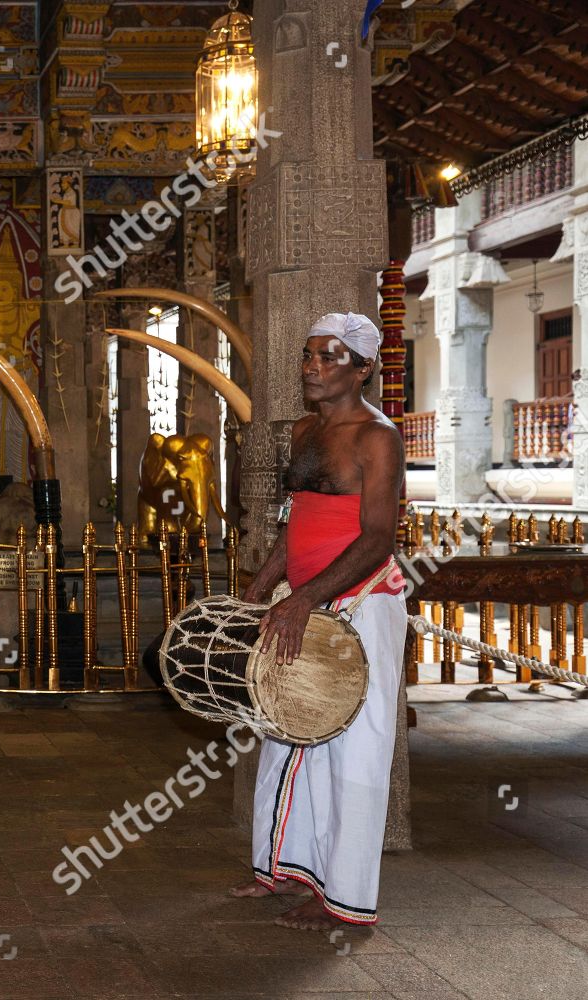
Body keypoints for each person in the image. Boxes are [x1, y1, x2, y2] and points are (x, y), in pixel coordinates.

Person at [232, 312, 408, 931]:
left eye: (329, 357)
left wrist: (305, 599)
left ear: (363, 368)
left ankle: (344, 901)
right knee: (287, 735)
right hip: (302, 598)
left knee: (353, 753)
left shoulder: (377, 436)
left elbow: (379, 539)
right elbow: (295, 518)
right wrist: (262, 586)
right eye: (309, 355)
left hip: (360, 602)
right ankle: (286, 867)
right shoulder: (305, 432)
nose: (312, 367)